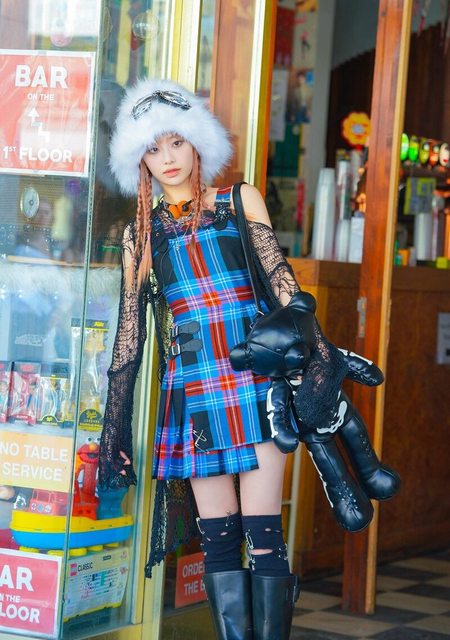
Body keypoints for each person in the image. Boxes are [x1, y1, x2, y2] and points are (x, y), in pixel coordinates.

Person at [99, 78, 345, 640]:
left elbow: (284, 286)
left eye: (176, 143)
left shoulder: (239, 201)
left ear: (197, 144)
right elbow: (130, 334)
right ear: (140, 160)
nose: (167, 157)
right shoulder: (140, 234)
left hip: (256, 381)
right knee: (219, 538)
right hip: (193, 389)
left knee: (264, 534)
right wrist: (115, 425)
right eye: (153, 148)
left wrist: (321, 358)